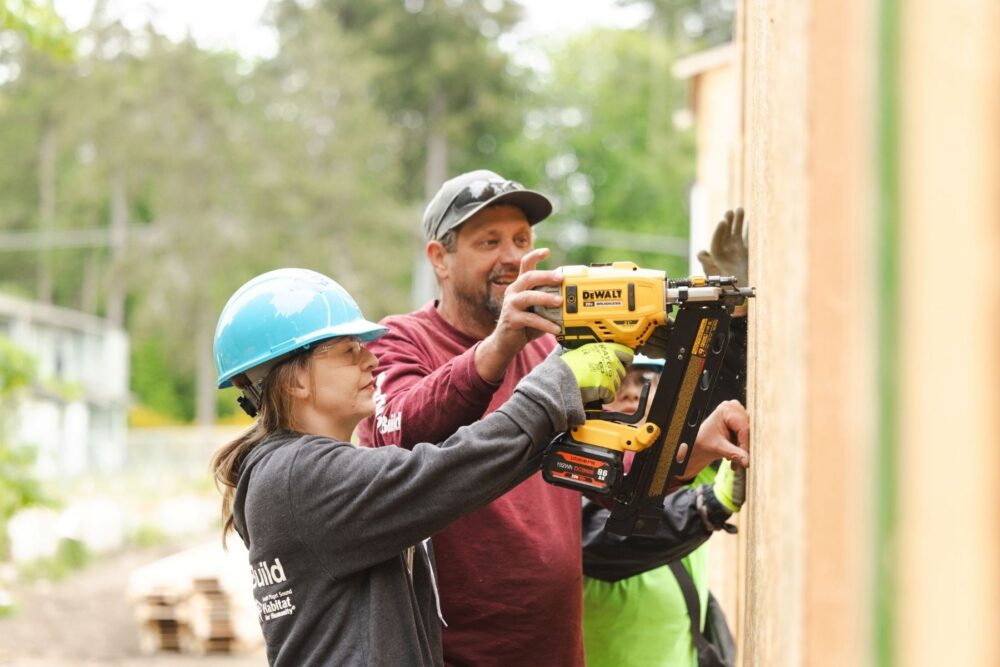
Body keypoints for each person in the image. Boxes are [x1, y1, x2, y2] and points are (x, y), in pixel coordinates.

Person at [356, 170, 751, 666]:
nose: (510, 257)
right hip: (456, 654)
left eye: (521, 239)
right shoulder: (403, 339)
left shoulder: (549, 348)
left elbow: (602, 474)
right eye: (489, 241)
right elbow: (399, 428)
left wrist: (688, 457)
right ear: (439, 258)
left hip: (555, 649)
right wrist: (499, 346)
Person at [208, 267, 633, 666]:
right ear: (294, 380)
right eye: (348, 351)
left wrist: (563, 415)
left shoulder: (297, 474)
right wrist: (556, 384)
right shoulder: (298, 477)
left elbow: (466, 473)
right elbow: (447, 472)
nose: (371, 360)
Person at [582, 208, 752, 667]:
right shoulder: (564, 495)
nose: (631, 398)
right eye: (614, 390)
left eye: (638, 386)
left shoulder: (664, 463)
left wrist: (728, 321)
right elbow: (613, 537)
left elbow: (729, 412)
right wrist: (710, 505)